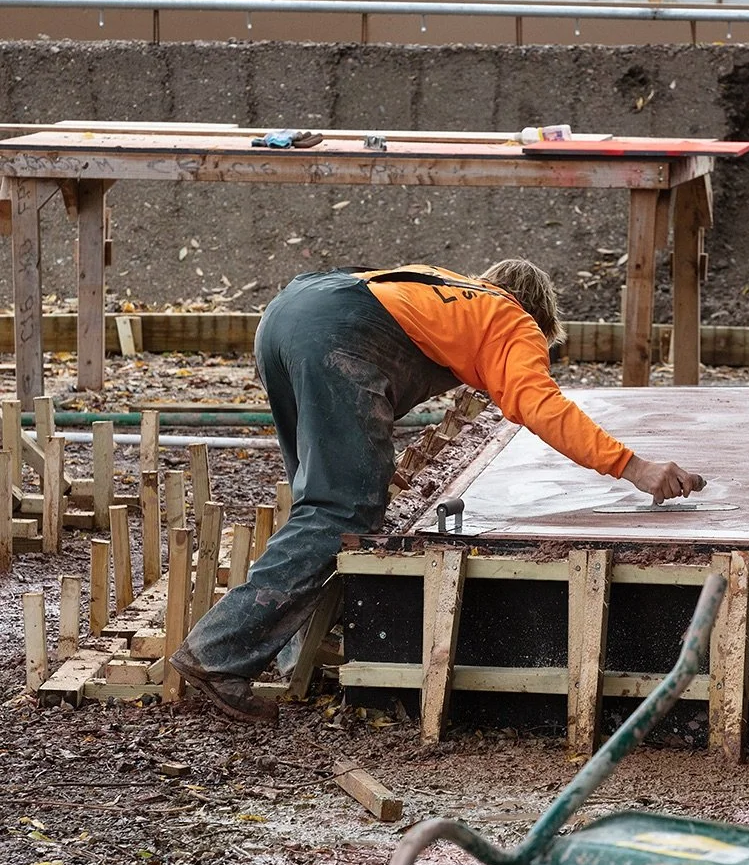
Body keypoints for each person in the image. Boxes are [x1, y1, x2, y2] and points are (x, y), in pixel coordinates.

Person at [171, 260, 704, 722]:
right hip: (335, 334)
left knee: (319, 498)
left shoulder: (449, 290)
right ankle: (219, 652)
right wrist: (633, 466)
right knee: (342, 511)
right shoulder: (512, 320)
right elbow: (540, 406)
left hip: (290, 314)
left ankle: (293, 655)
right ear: (539, 321)